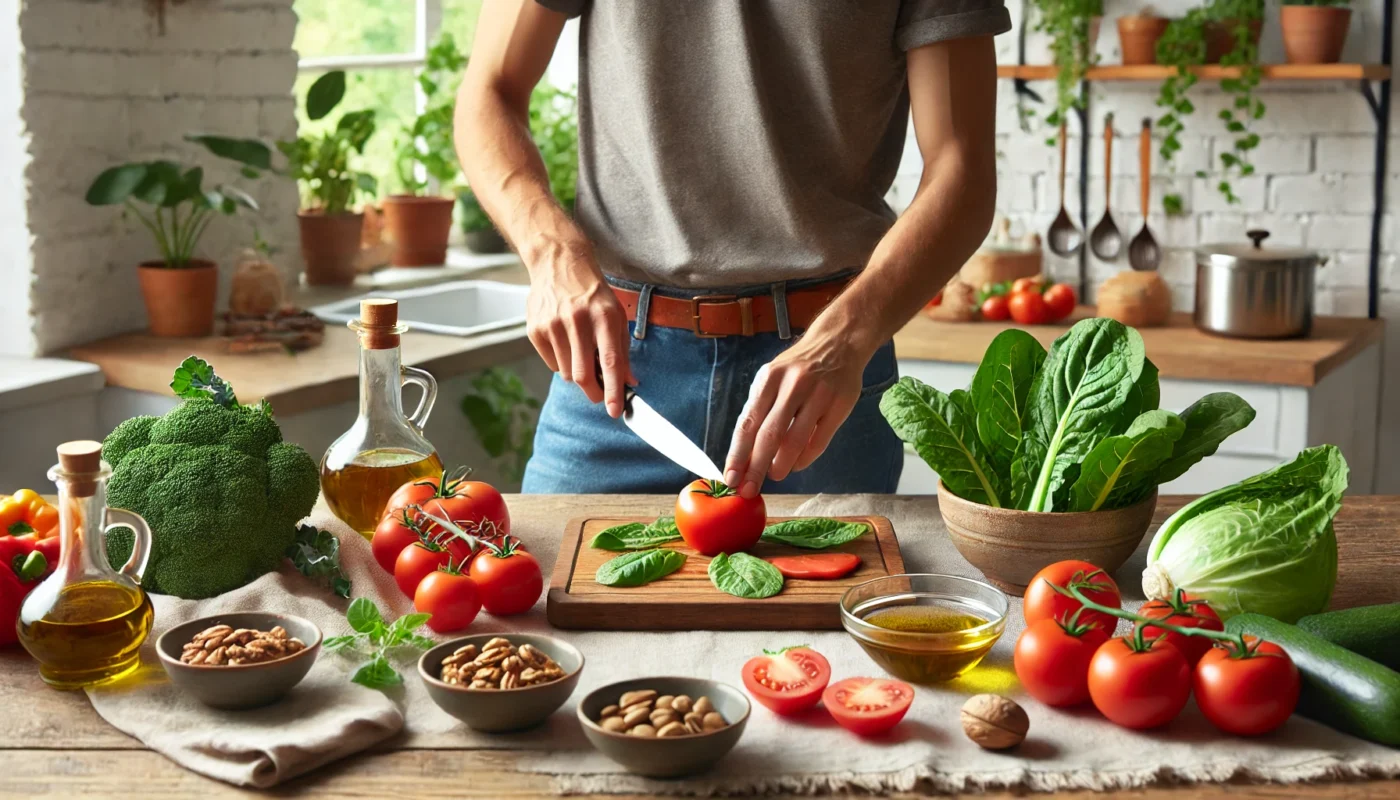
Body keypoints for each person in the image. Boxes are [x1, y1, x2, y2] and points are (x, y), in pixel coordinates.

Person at [455, 0, 1008, 496]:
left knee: (829, 609)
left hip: (825, 374)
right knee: (548, 599)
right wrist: (553, 254)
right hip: (614, 373)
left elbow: (962, 169)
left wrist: (844, 340)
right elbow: (491, 91)